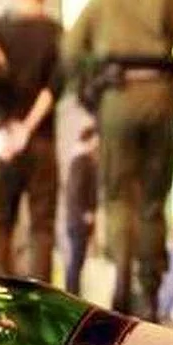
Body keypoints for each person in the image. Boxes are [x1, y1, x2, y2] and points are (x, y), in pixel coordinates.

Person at [63, 0, 173, 322]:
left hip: (116, 98)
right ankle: (149, 292)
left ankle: (121, 280)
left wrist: (87, 92)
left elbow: (70, 49)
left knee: (116, 196)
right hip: (160, 94)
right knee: (152, 198)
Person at [0, 0, 63, 282]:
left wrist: (7, 127)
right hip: (42, 139)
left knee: (3, 221)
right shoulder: (55, 33)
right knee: (41, 225)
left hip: (6, 141)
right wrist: (28, 127)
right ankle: (39, 295)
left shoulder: (0, 32)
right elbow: (54, 86)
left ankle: (0, 291)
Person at [65, 125, 99, 295]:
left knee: (77, 261)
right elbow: (77, 191)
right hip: (79, 221)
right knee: (76, 261)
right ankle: (72, 295)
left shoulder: (79, 160)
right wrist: (86, 213)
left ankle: (72, 294)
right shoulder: (82, 161)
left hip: (75, 220)